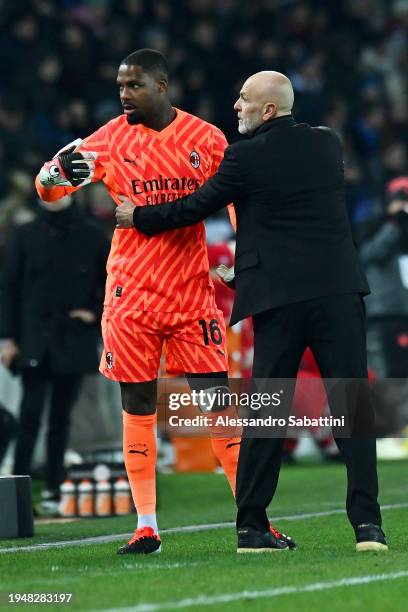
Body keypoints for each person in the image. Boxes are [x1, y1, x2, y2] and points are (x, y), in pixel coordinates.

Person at [35, 50, 295, 553]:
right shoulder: (107, 140)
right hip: (130, 291)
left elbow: (239, 199)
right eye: (119, 86)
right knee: (136, 402)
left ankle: (253, 522)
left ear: (161, 84)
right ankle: (147, 525)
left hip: (191, 291)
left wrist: (246, 257)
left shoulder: (206, 138)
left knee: (217, 403)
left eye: (133, 86)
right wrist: (51, 175)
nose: (124, 95)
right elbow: (50, 191)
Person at [121, 70, 388, 553]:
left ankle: (251, 527)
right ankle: (368, 528)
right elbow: (294, 216)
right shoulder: (327, 144)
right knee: (352, 409)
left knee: (266, 416)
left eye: (244, 99)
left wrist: (137, 217)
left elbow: (193, 207)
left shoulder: (243, 157)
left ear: (268, 109)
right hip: (336, 293)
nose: (236, 105)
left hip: (279, 300)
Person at [0, 195, 109, 513]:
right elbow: (8, 287)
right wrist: (7, 338)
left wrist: (95, 313)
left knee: (62, 417)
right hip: (34, 337)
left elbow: (112, 279)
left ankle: (54, 489)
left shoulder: (90, 234)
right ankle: (20, 493)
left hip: (72, 337)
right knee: (30, 415)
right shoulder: (24, 234)